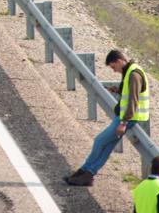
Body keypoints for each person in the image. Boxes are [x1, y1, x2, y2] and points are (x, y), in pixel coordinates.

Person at [64, 49, 149, 186]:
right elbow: (129, 93)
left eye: (113, 67)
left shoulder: (133, 74)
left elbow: (133, 100)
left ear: (119, 61)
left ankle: (86, 171)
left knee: (99, 141)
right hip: (125, 117)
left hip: (128, 119)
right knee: (106, 146)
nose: (114, 71)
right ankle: (87, 173)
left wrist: (124, 122)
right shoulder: (129, 71)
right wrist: (116, 90)